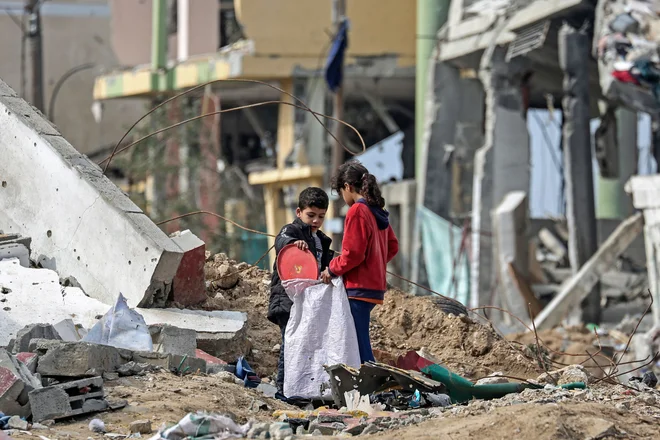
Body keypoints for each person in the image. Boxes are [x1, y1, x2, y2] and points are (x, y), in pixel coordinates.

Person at [321, 161, 399, 363]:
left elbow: (353, 254)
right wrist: (375, 264)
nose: (342, 198)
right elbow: (392, 247)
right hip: (374, 287)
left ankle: (371, 387)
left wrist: (331, 269)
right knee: (359, 339)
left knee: (357, 342)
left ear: (347, 186)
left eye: (341, 192)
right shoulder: (376, 210)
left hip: (358, 288)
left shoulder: (357, 211)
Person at [267, 187, 334, 396]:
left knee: (304, 347)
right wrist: (293, 243)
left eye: (321, 216)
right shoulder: (292, 231)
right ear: (299, 212)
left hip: (307, 303)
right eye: (311, 215)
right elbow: (282, 241)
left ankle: (300, 389)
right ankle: (282, 390)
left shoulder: (321, 239)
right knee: (291, 346)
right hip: (287, 301)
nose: (316, 220)